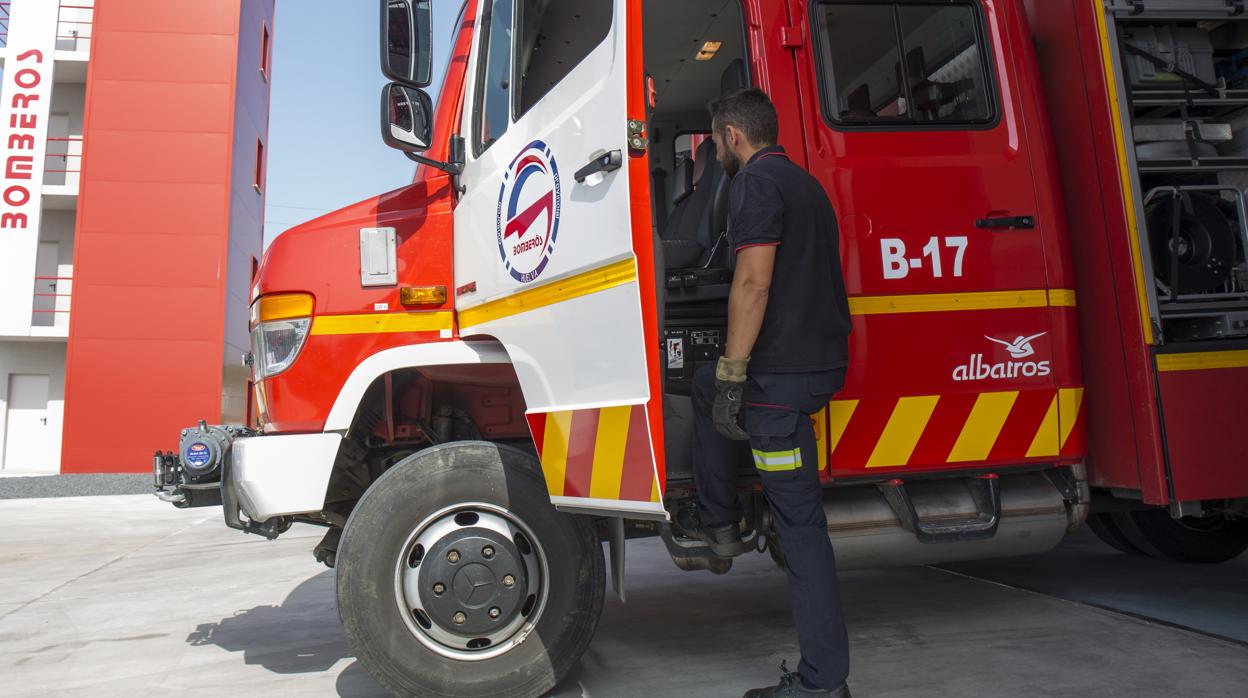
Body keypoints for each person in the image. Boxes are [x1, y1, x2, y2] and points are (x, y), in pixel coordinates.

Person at [688, 88, 854, 698]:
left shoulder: (753, 185)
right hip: (813, 368)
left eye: (715, 141)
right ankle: (721, 521)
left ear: (732, 134)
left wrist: (735, 372)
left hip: (778, 388)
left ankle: (821, 683)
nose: (718, 152)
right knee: (703, 385)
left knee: (803, 530)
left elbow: (754, 283)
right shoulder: (804, 184)